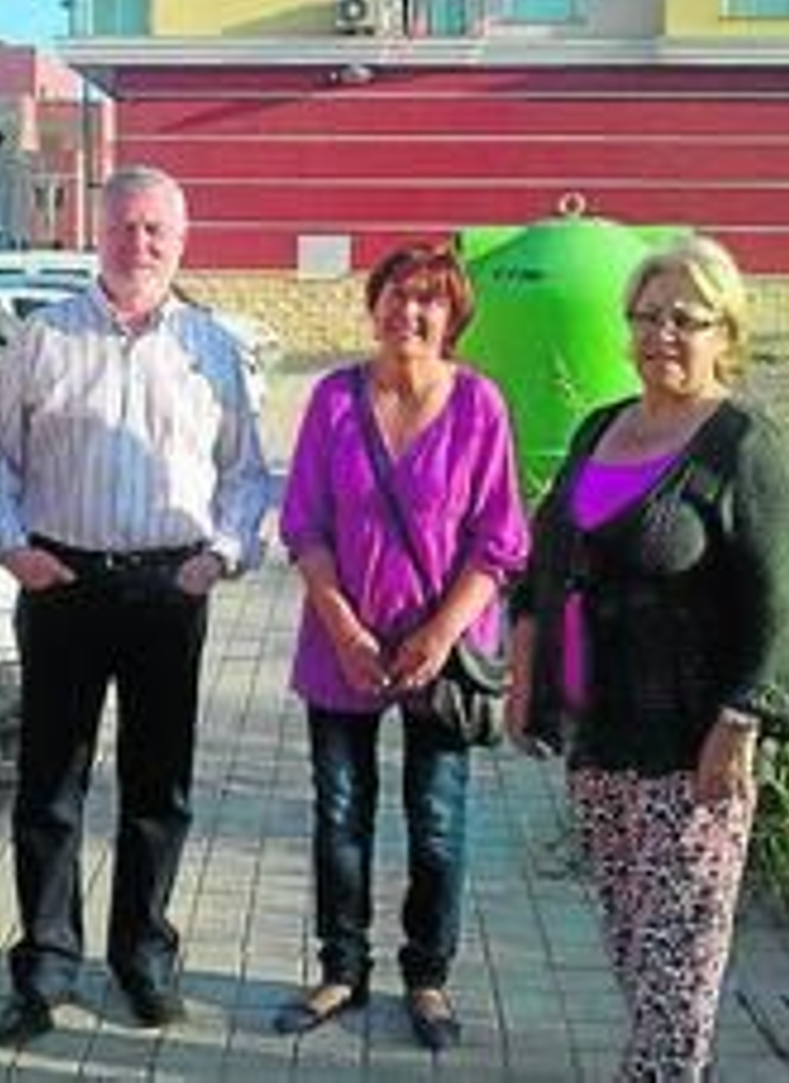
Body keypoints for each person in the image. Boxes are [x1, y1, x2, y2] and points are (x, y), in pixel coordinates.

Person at [506, 234, 789, 1081]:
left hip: (691, 758)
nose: (661, 334)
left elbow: (781, 606)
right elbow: (548, 558)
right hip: (599, 743)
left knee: (677, 987)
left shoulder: (745, 445)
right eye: (646, 316)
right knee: (642, 964)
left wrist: (742, 721)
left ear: (727, 331)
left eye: (686, 317)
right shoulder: (602, 424)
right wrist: (524, 670)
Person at [0, 164, 271, 1045]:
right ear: (96, 232)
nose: (138, 244)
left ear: (180, 241)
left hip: (166, 589)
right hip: (62, 581)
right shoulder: (41, 338)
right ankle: (44, 965)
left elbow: (248, 472)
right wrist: (14, 548)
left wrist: (220, 555)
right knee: (50, 785)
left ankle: (143, 955)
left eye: (156, 230)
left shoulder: (212, 347)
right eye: (124, 227)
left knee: (158, 788)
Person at [273, 243, 528, 1051]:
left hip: (442, 652)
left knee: (438, 820)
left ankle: (427, 976)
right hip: (340, 641)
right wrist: (344, 626)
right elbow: (304, 524)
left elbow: (500, 540)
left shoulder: (480, 405)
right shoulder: (333, 401)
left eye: (429, 301)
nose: (408, 313)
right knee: (341, 813)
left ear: (453, 317)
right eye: (395, 295)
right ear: (374, 304)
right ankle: (342, 968)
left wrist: (439, 630)